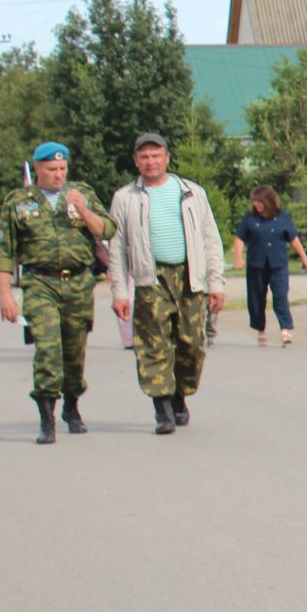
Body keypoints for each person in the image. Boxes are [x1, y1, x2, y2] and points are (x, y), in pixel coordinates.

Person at [0, 142, 116, 444]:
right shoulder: (19, 203)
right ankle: (46, 417)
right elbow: (5, 251)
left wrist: (83, 209)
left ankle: (72, 406)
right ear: (37, 169)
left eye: (62, 168)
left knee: (74, 353)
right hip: (40, 284)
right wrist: (6, 295)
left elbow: (107, 230)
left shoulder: (82, 194)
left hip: (77, 283)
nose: (58, 174)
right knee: (48, 350)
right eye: (51, 169)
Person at [108, 133, 226, 435]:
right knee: (153, 346)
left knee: (192, 344)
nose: (150, 162)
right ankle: (162, 409)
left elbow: (211, 238)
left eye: (156, 155)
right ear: (136, 161)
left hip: (189, 276)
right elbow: (117, 247)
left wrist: (216, 283)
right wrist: (120, 291)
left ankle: (179, 395)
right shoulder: (125, 198)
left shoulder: (191, 192)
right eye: (144, 157)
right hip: (151, 279)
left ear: (167, 158)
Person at [230, 185, 307, 346]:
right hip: (256, 265)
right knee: (257, 299)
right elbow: (239, 238)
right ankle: (261, 330)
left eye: (259, 202)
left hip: (278, 265)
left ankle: (285, 329)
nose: (256, 205)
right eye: (254, 202)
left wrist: (304, 257)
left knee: (281, 296)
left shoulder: (282, 217)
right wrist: (238, 258)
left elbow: (293, 238)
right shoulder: (250, 218)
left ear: (268, 201)